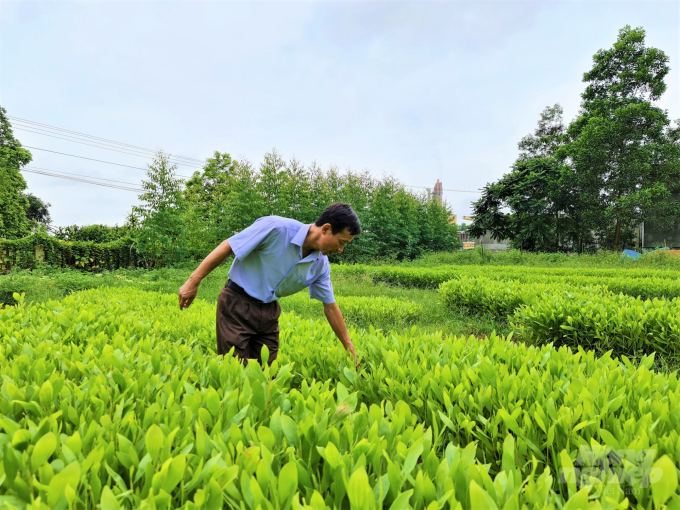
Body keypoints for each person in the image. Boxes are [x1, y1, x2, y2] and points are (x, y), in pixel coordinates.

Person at [178, 202, 360, 367]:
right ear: (326, 229)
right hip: (237, 305)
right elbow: (229, 246)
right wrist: (193, 281)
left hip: (269, 313)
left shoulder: (320, 265)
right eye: (341, 242)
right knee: (235, 372)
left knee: (266, 375)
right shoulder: (277, 228)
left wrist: (348, 347)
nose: (341, 250)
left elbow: (330, 306)